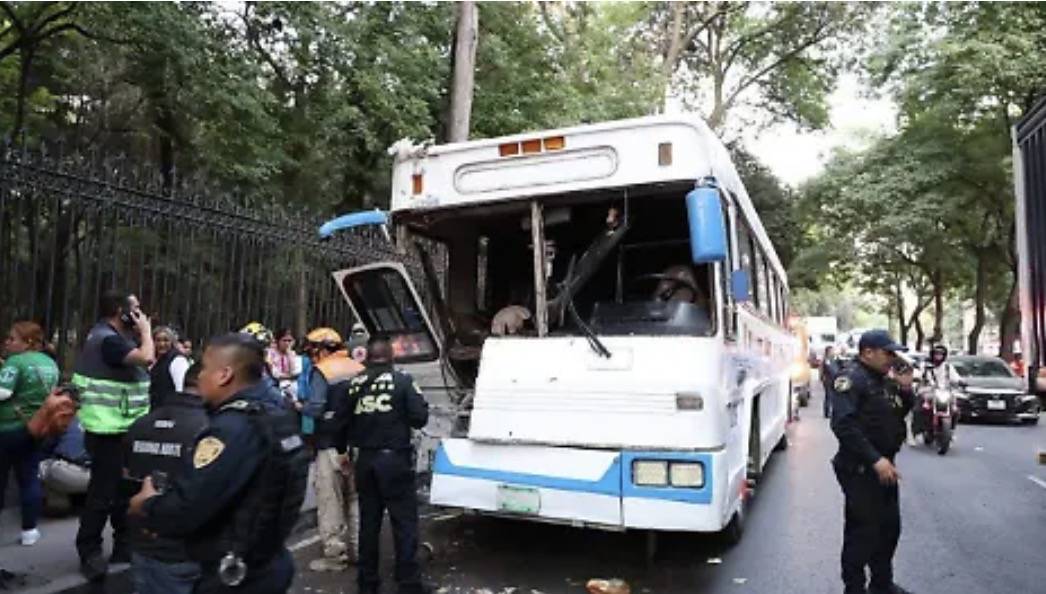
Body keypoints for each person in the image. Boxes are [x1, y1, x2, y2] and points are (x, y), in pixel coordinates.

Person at [129, 333, 308, 594]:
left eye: (205, 368)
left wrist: (146, 505)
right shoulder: (275, 416)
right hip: (267, 560)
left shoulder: (232, 428)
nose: (199, 376)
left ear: (224, 375)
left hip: (235, 573)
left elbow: (190, 504)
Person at [73, 290, 154, 581]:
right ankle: (89, 551)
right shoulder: (107, 340)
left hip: (123, 428)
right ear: (120, 311)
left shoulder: (114, 339)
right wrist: (146, 332)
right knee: (103, 493)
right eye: (135, 309)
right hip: (106, 430)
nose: (139, 314)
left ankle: (124, 545)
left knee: (125, 490)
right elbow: (147, 357)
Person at [830, 330, 915, 594]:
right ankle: (854, 588)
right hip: (861, 469)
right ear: (868, 352)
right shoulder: (851, 380)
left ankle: (882, 583)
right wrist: (875, 459)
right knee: (863, 532)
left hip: (885, 467)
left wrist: (905, 388)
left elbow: (898, 411)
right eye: (888, 352)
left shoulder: (883, 381)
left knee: (889, 529)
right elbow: (843, 425)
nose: (893, 358)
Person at [344, 335, 430, 594]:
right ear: (391, 357)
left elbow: (341, 420)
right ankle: (408, 583)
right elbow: (419, 418)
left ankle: (367, 583)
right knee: (404, 522)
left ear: (368, 357)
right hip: (394, 460)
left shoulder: (354, 384)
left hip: (365, 460)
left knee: (368, 524)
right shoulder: (403, 381)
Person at [123, 361, 209, 594]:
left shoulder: (140, 424)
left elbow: (126, 483)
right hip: (187, 552)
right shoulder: (212, 429)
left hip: (143, 545)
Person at [301, 327, 364, 572]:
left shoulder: (322, 371)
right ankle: (360, 549)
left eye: (313, 349)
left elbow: (316, 408)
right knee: (356, 498)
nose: (311, 355)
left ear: (323, 348)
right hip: (358, 443)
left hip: (329, 445)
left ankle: (335, 555)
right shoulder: (358, 368)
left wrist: (298, 406)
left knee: (331, 500)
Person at [0, 321, 61, 546]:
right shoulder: (49, 363)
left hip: (7, 428)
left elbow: (3, 392)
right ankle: (29, 531)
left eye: (12, 338)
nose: (7, 342)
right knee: (28, 478)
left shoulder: (16, 362)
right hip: (36, 427)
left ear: (27, 342)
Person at [39, 416, 92, 515]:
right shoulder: (103, 421)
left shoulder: (64, 420)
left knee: (40, 465)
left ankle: (58, 502)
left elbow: (45, 449)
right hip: (102, 477)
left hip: (69, 474)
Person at [911, 344, 949, 442]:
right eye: (937, 354)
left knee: (955, 406)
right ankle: (917, 429)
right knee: (919, 409)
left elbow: (955, 377)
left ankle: (950, 428)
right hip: (926, 390)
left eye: (941, 354)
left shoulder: (947, 367)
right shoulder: (925, 365)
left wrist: (961, 381)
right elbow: (918, 374)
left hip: (943, 391)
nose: (939, 356)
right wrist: (917, 378)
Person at [150, 326, 191, 409]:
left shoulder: (178, 360)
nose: (162, 344)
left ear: (172, 342)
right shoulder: (154, 360)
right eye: (158, 340)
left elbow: (181, 390)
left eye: (166, 340)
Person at [267, 329, 302, 401]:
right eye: (284, 340)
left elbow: (295, 372)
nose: (287, 343)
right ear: (278, 341)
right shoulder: (270, 353)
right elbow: (274, 374)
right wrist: (288, 376)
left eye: (289, 341)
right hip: (273, 386)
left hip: (290, 388)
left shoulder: (293, 354)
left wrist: (289, 355)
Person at [822, 345, 841, 419]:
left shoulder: (833, 359)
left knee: (833, 396)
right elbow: (831, 369)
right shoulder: (827, 360)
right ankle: (827, 412)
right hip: (828, 380)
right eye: (832, 351)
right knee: (829, 396)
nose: (833, 352)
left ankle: (831, 411)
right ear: (828, 352)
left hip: (833, 380)